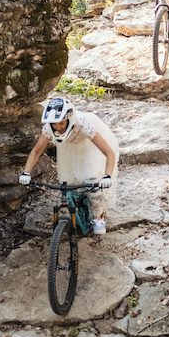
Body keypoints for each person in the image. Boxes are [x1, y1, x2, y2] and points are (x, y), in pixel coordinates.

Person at [19, 95, 119, 235]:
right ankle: (75, 213)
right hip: (67, 151)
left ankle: (98, 217)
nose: (58, 127)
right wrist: (26, 172)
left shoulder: (84, 125)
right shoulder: (49, 129)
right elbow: (36, 151)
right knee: (67, 183)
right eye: (54, 124)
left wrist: (107, 175)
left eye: (61, 123)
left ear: (69, 119)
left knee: (92, 181)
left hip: (89, 149)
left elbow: (109, 152)